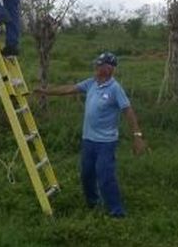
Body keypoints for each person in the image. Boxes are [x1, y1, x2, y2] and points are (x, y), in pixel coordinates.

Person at [34, 52, 147, 218]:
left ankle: (117, 212)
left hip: (106, 143)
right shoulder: (91, 83)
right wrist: (46, 91)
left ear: (109, 69)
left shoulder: (115, 89)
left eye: (100, 65)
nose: (96, 67)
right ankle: (93, 203)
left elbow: (128, 111)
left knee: (105, 176)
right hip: (88, 140)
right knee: (86, 175)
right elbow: (69, 89)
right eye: (96, 64)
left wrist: (137, 136)